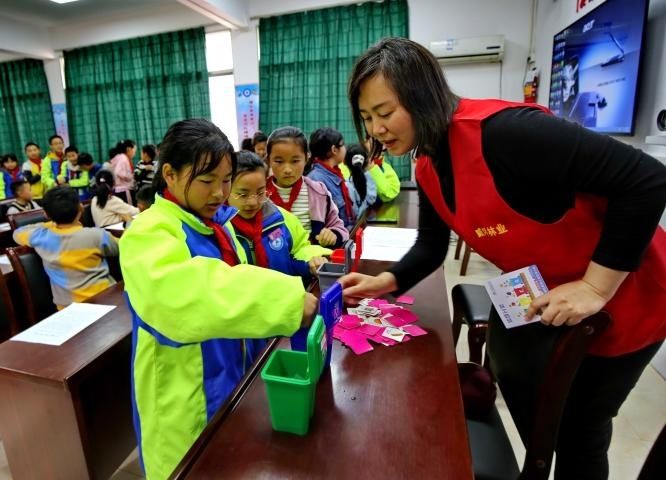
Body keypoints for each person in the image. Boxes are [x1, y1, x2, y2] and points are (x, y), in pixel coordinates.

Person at [341, 37, 666, 480]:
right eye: (366, 118)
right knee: (549, 417)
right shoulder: (427, 165)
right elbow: (432, 246)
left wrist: (595, 287)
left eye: (384, 113)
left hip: (629, 295)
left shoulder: (507, 132)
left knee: (581, 429)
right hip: (555, 297)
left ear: (423, 96)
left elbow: (647, 180)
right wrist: (389, 281)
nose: (375, 130)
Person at [119, 118, 318, 479]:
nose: (218, 193)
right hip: (185, 398)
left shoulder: (212, 224)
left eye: (226, 181)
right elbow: (185, 294)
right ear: (171, 174)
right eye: (207, 181)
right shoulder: (148, 232)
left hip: (227, 378)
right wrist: (285, 300)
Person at [227, 150, 330, 282]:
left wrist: (313, 261)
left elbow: (300, 250)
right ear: (226, 188)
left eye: (260, 192)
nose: (253, 202)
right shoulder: (219, 229)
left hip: (285, 297)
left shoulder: (281, 218)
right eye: (242, 194)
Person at [13, 186, 118, 309]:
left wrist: (52, 223)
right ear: (80, 207)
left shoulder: (40, 237)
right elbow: (122, 247)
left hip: (67, 308)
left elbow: (18, 233)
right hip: (106, 299)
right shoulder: (97, 235)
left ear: (46, 214)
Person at [265, 126, 349, 248]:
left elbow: (339, 227)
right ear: (268, 160)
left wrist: (333, 235)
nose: (287, 169)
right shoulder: (259, 194)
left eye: (295, 161)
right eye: (279, 161)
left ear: (306, 157)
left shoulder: (319, 192)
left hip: (312, 261)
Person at [307, 127, 355, 228]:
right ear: (334, 150)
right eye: (343, 145)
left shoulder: (335, 172)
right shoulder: (316, 180)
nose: (345, 148)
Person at [344, 144, 378, 219]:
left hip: (355, 226)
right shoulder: (369, 177)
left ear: (345, 162)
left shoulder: (346, 184)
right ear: (365, 162)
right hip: (369, 221)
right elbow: (372, 199)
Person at [109, 139, 137, 204]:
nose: (134, 153)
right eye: (134, 150)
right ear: (128, 149)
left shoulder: (119, 157)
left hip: (120, 190)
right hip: (124, 190)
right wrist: (131, 176)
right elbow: (118, 172)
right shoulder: (123, 157)